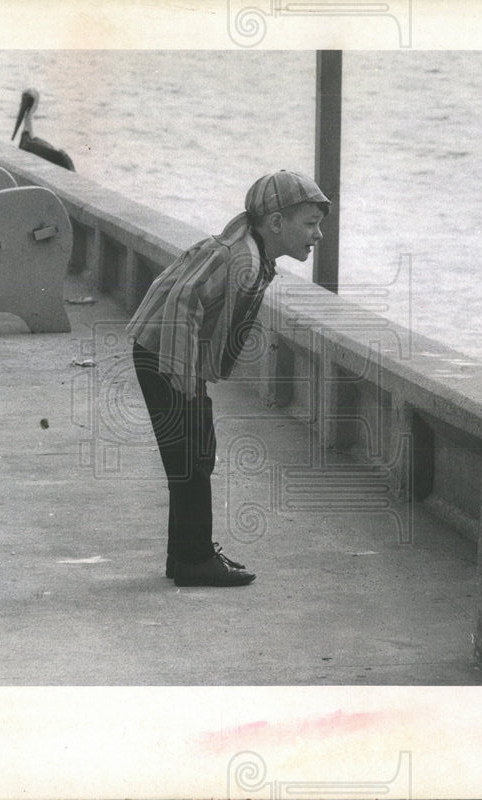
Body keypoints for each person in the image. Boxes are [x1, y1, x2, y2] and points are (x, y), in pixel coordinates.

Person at [127, 170, 330, 587]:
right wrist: (183, 373)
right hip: (163, 353)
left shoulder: (253, 251)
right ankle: (194, 559)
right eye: (310, 224)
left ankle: (184, 555)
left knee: (196, 454)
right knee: (189, 462)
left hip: (173, 354)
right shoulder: (243, 258)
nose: (318, 234)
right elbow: (185, 298)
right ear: (275, 223)